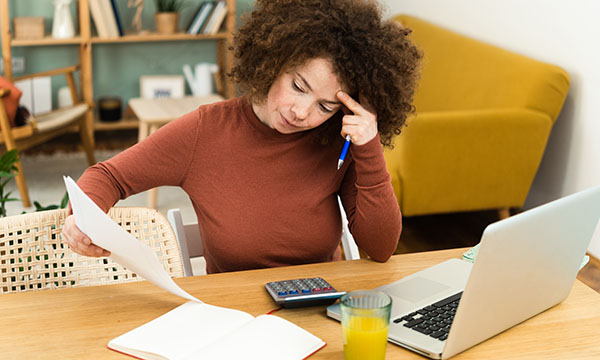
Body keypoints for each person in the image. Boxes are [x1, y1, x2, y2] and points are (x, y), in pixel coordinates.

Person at [62, 0, 422, 274]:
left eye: (325, 106)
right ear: (274, 60)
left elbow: (380, 248)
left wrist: (369, 148)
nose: (302, 112)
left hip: (319, 307)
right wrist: (82, 219)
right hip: (236, 318)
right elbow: (108, 176)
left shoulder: (338, 141)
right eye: (298, 86)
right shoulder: (206, 131)